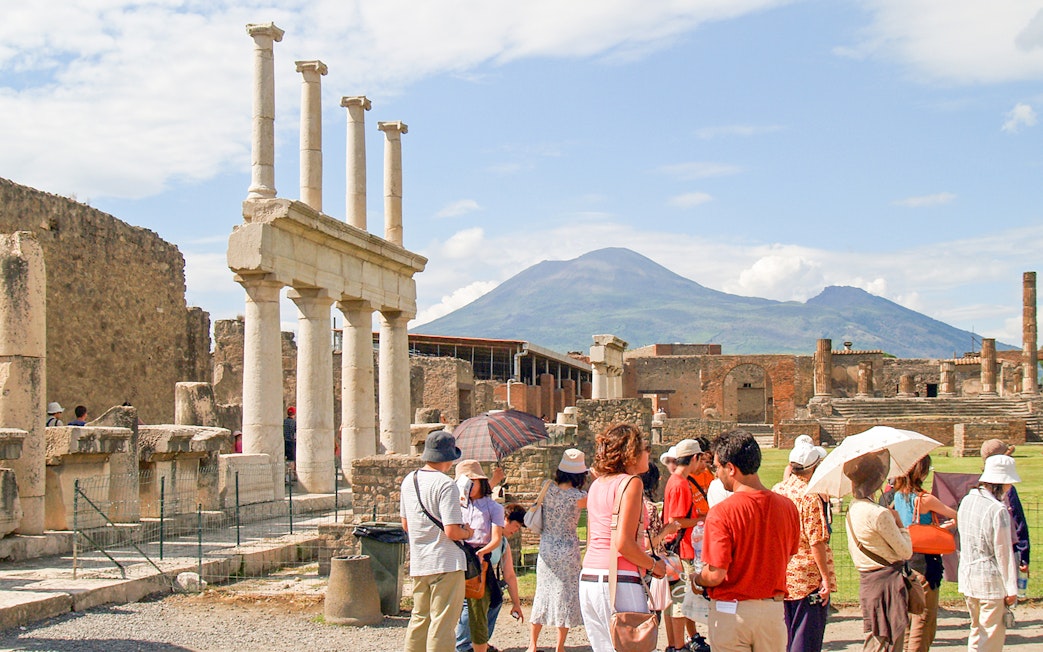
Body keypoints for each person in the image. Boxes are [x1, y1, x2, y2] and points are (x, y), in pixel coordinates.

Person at [691, 429, 799, 652]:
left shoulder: (722, 512)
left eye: (718, 467)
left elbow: (716, 574)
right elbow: (786, 556)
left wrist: (697, 580)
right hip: (772, 610)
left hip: (733, 610)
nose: (716, 473)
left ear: (731, 468)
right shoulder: (787, 507)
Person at [579, 423, 668, 652]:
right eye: (643, 448)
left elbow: (593, 537)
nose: (648, 452)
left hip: (590, 576)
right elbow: (623, 543)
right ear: (631, 454)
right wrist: (653, 566)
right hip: (620, 578)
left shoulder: (597, 484)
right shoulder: (632, 483)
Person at [400, 430, 474, 652]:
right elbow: (452, 531)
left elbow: (406, 525)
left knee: (419, 619)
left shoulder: (408, 480)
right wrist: (467, 533)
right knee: (442, 624)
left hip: (421, 561)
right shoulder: (445, 484)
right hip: (446, 561)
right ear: (450, 458)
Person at [885, 455, 957, 652]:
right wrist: (949, 525)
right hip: (924, 561)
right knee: (923, 621)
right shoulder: (924, 499)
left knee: (909, 618)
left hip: (906, 558)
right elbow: (956, 515)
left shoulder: (898, 495)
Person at [843, 450, 913, 652]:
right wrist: (900, 525)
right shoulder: (878, 513)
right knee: (886, 642)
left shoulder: (854, 507)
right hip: (886, 584)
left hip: (870, 582)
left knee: (877, 640)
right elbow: (905, 551)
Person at [772, 439, 836, 652]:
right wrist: (825, 577)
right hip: (806, 574)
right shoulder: (810, 497)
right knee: (806, 636)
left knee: (786, 634)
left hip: (782, 570)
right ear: (814, 468)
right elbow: (816, 540)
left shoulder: (778, 489)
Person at [527, 448, 588, 652]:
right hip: (568, 548)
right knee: (565, 595)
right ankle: (559, 646)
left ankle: (532, 644)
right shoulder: (580, 496)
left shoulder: (548, 487)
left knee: (542, 594)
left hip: (547, 546)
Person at [958, 454, 1020, 652]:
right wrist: (1011, 588)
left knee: (977, 631)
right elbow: (1003, 552)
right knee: (990, 639)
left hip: (969, 576)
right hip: (990, 581)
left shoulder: (967, 500)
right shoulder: (997, 509)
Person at [661, 438, 710, 652]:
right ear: (695, 457)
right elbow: (677, 521)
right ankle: (679, 646)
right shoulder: (681, 483)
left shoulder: (675, 479)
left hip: (674, 547)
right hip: (682, 548)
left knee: (673, 600)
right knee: (682, 600)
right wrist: (702, 520)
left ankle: (673, 643)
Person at [458, 503, 526, 652]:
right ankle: (463, 645)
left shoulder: (502, 542)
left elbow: (509, 575)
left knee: (495, 601)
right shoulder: (484, 534)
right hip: (469, 578)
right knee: (468, 608)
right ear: (505, 519)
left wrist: (516, 604)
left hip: (485, 581)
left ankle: (480, 642)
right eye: (516, 526)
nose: (516, 531)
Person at [456, 459, 504, 652]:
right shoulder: (457, 505)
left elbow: (496, 538)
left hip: (478, 561)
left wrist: (482, 552)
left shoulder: (494, 508)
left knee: (479, 610)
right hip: (458, 558)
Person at [980, 439, 1029, 580]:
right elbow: (1018, 523)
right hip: (1006, 550)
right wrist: (1023, 555)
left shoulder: (977, 488)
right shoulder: (1008, 490)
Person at [283, 407, 296, 483]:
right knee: (291, 461)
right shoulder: (294, 423)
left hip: (285, 442)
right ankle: (289, 478)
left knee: (286, 461)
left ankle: (286, 477)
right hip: (291, 443)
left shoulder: (284, 421)